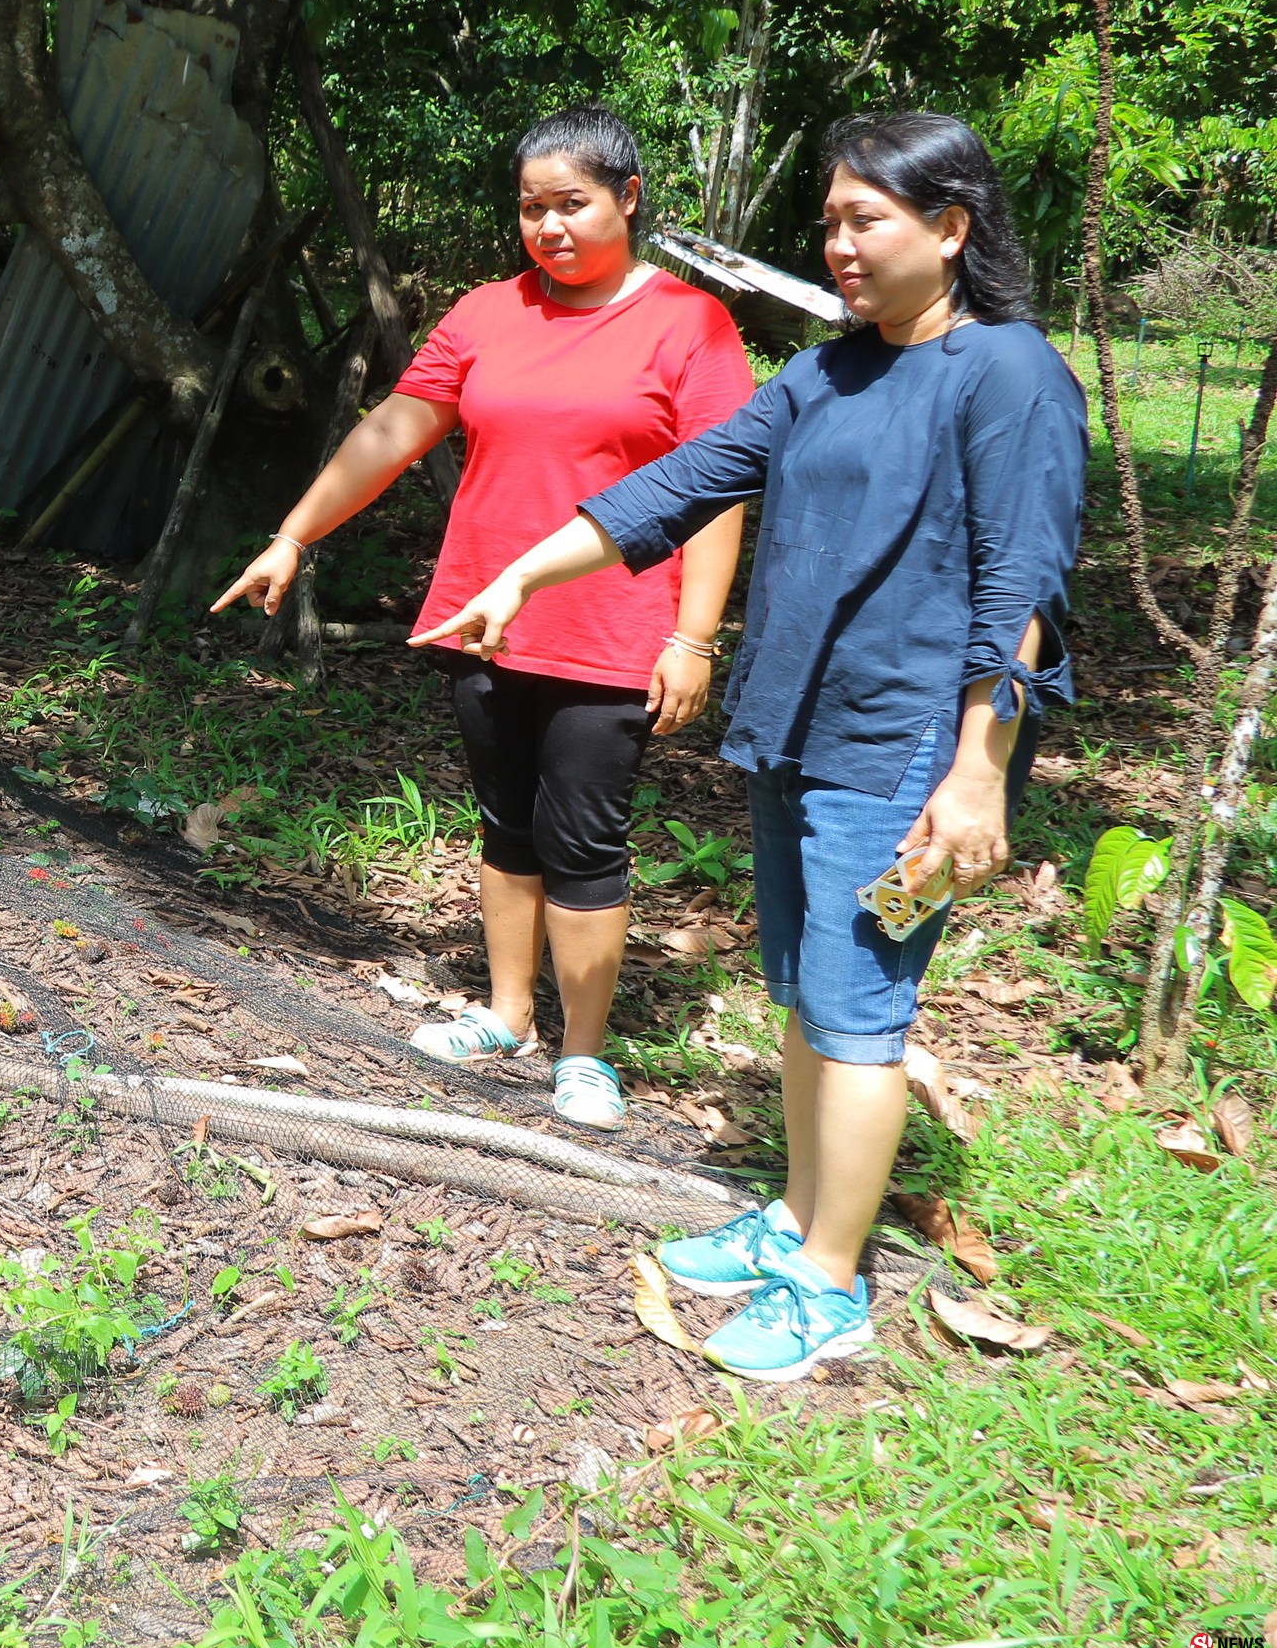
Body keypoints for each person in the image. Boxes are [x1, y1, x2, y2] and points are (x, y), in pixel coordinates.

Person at [411, 110, 1084, 1382]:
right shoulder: (830, 374)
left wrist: (978, 768)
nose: (837, 244)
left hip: (901, 748)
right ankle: (794, 1213)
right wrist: (522, 578)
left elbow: (1023, 591)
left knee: (861, 1012)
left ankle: (831, 1283)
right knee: (799, 995)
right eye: (829, 221)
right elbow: (674, 487)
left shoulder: (1009, 373)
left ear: (951, 228)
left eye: (864, 220)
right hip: (797, 727)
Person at [212, 106, 754, 1133]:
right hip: (485, 619)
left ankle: (583, 1053)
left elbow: (720, 489)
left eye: (573, 204)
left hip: (615, 627)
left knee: (585, 835)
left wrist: (693, 636)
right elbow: (395, 429)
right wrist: (295, 532)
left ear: (627, 199)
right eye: (532, 207)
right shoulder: (486, 313)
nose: (549, 227)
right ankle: (509, 1013)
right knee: (507, 821)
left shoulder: (690, 323)